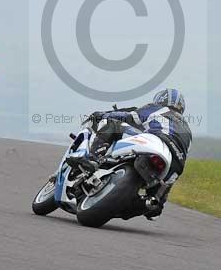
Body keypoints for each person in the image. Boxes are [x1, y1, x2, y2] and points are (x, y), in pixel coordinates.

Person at [67, 88, 192, 218]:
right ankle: (146, 203)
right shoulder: (187, 128)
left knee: (112, 124)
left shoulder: (157, 108)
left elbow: (129, 117)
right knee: (154, 204)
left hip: (156, 141)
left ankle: (92, 158)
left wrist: (102, 115)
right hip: (174, 164)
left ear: (160, 100)